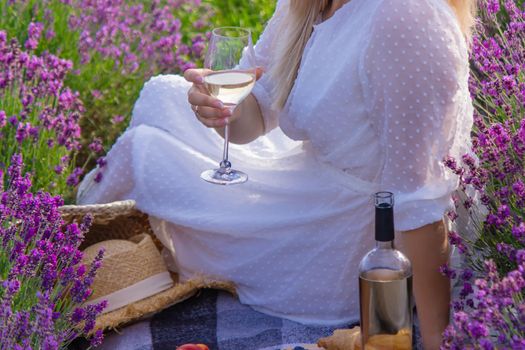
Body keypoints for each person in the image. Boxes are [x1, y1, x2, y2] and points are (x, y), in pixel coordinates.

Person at [78, 0, 476, 348]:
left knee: (145, 151)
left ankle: (67, 248)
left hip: (341, 241)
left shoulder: (404, 17)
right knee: (163, 96)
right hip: (310, 178)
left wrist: (438, 336)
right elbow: (259, 110)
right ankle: (86, 247)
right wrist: (220, 110)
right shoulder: (309, 3)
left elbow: (418, 200)